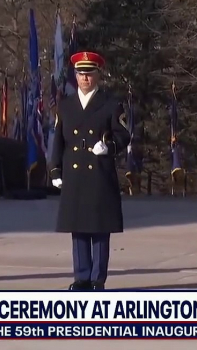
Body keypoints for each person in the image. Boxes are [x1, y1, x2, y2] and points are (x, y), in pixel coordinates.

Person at [49, 51, 131, 290]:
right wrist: (55, 170)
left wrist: (109, 147)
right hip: (75, 173)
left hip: (99, 171)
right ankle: (81, 276)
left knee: (100, 227)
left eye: (90, 73)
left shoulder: (110, 103)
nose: (85, 78)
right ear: (75, 76)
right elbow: (58, 141)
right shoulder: (65, 106)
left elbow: (124, 134)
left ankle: (97, 278)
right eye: (81, 74)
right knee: (79, 227)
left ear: (97, 75)